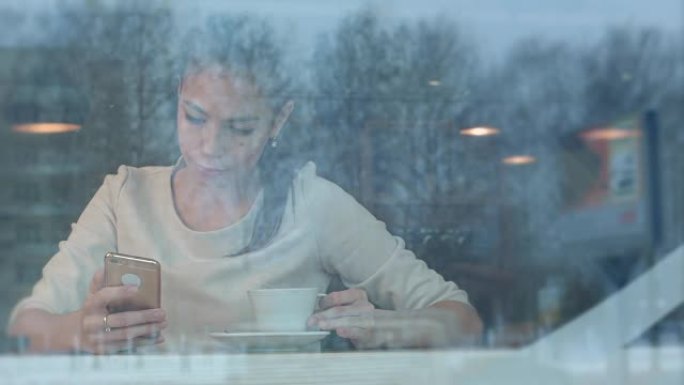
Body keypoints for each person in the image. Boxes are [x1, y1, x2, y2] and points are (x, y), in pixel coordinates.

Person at [7, 24, 482, 354]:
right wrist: (78, 332)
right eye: (194, 117)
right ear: (176, 96)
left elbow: (464, 322)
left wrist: (383, 328)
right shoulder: (123, 198)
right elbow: (24, 329)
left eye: (240, 128)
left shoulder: (311, 205)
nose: (211, 147)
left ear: (279, 120)